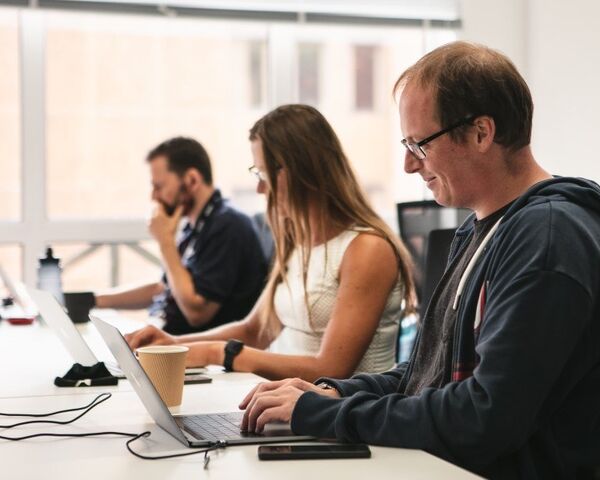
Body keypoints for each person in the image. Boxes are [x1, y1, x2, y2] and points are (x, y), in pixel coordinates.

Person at [239, 42, 600, 479]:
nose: (410, 164)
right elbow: (430, 373)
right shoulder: (478, 229)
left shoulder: (545, 237)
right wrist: (334, 393)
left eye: (419, 144)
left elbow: (486, 417)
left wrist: (327, 416)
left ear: (481, 133)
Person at [125, 104, 415, 382]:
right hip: (282, 401)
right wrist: (173, 344)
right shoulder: (298, 243)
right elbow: (255, 330)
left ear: (297, 171)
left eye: (262, 174)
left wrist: (218, 354)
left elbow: (331, 368)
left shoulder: (367, 249)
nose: (260, 188)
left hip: (343, 418)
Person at [95, 137, 268, 335]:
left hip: (197, 355)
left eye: (159, 187)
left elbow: (196, 313)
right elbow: (164, 288)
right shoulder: (194, 226)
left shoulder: (228, 226)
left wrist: (165, 242)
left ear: (192, 180)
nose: (154, 197)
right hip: (164, 337)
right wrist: (95, 300)